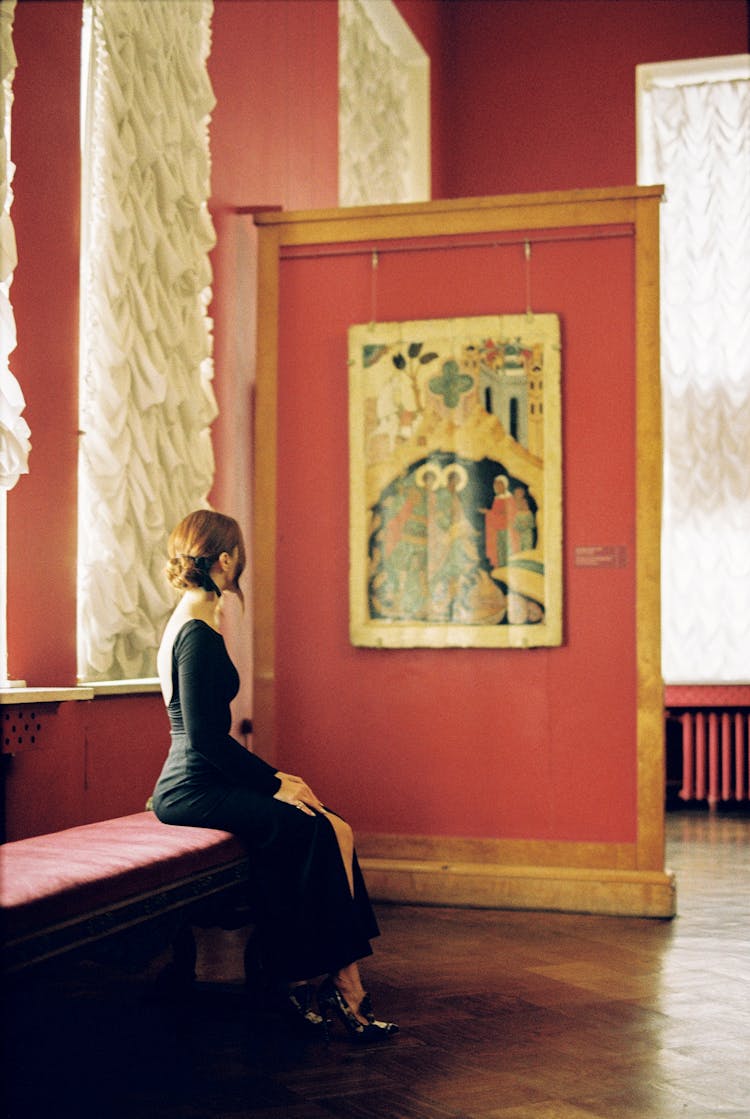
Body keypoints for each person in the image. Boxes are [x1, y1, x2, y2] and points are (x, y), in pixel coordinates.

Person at [152, 509, 398, 1043]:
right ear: (224, 560)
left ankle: (331, 976)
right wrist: (273, 783)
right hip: (191, 789)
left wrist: (275, 778)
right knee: (309, 826)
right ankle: (325, 981)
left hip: (209, 779)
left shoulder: (198, 618)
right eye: (237, 554)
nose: (240, 563)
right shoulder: (196, 630)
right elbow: (205, 741)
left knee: (333, 826)